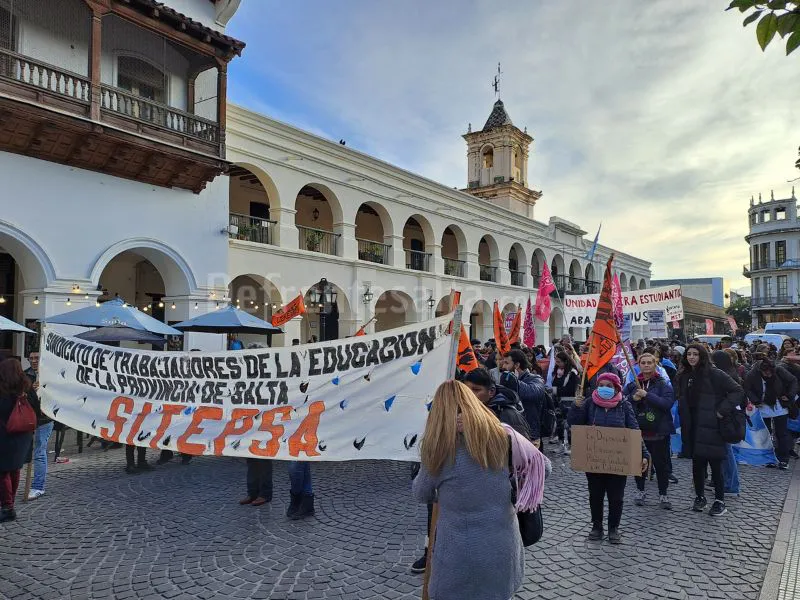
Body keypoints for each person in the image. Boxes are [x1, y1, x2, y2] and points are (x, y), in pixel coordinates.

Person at [412, 380, 545, 600]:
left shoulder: (438, 449)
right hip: (502, 544)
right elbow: (543, 467)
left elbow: (421, 493)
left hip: (459, 552)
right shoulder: (503, 435)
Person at [568, 372, 648, 543]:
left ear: (616, 388)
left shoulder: (624, 405)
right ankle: (596, 526)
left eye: (609, 386)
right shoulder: (588, 403)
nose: (605, 388)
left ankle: (614, 528)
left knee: (616, 497)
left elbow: (634, 430)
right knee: (595, 495)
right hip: (594, 460)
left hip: (618, 461)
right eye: (601, 385)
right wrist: (576, 407)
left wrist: (644, 454)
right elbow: (574, 424)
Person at [676, 344, 743, 516]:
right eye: (689, 354)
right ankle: (700, 497)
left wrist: (721, 410)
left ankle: (719, 501)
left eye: (695, 354)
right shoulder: (683, 375)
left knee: (716, 465)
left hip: (712, 426)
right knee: (697, 465)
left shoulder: (715, 373)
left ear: (702, 356)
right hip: (692, 426)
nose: (691, 357)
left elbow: (737, 390)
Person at [624, 353, 675, 510]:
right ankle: (640, 491)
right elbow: (623, 403)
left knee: (661, 464)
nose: (646, 365)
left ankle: (663, 493)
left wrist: (647, 395)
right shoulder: (633, 385)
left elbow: (666, 404)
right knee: (639, 463)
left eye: (649, 363)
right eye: (643, 362)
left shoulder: (663, 384)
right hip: (639, 431)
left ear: (655, 364)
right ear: (639, 364)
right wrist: (633, 399)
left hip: (658, 431)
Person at [0, 358, 38, 522]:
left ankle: (8, 507)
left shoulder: (2, 391)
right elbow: (36, 408)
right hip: (23, 435)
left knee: (2, 472)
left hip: (5, 435)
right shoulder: (27, 388)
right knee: (14, 469)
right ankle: (10, 503)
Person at [743, 357, 797, 470]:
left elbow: (793, 381)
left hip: (779, 404)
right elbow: (747, 388)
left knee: (781, 433)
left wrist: (789, 395)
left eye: (770, 373)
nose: (768, 375)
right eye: (765, 373)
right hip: (762, 405)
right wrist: (755, 400)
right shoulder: (753, 374)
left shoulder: (779, 371)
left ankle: (783, 459)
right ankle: (768, 458)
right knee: (765, 433)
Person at [463, 368, 531, 439]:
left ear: (491, 392)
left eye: (476, 390)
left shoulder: (508, 414)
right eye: (466, 390)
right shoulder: (466, 410)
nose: (469, 394)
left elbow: (522, 445)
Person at [711, 350, 743, 496]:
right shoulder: (729, 372)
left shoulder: (727, 376)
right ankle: (724, 481)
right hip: (726, 417)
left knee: (726, 452)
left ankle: (731, 485)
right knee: (723, 451)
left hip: (726, 418)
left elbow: (737, 395)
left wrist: (721, 411)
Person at [501, 349, 549, 447]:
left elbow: (533, 393)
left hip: (530, 434)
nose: (503, 366)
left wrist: (514, 382)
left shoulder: (535, 379)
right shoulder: (507, 379)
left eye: (506, 363)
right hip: (511, 432)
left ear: (517, 365)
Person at [24, 351, 52, 501]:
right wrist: (31, 391)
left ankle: (38, 486)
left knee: (39, 452)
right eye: (31, 358)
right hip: (28, 418)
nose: (34, 361)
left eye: (37, 358)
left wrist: (45, 388)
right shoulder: (25, 375)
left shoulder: (50, 375)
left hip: (44, 418)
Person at [551, 351, 579, 454]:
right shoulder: (556, 372)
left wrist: (555, 390)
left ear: (565, 361)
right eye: (556, 362)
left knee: (569, 424)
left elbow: (571, 389)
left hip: (569, 401)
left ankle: (572, 446)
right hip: (558, 401)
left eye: (559, 362)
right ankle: (561, 444)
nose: (557, 364)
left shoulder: (572, 373)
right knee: (559, 424)